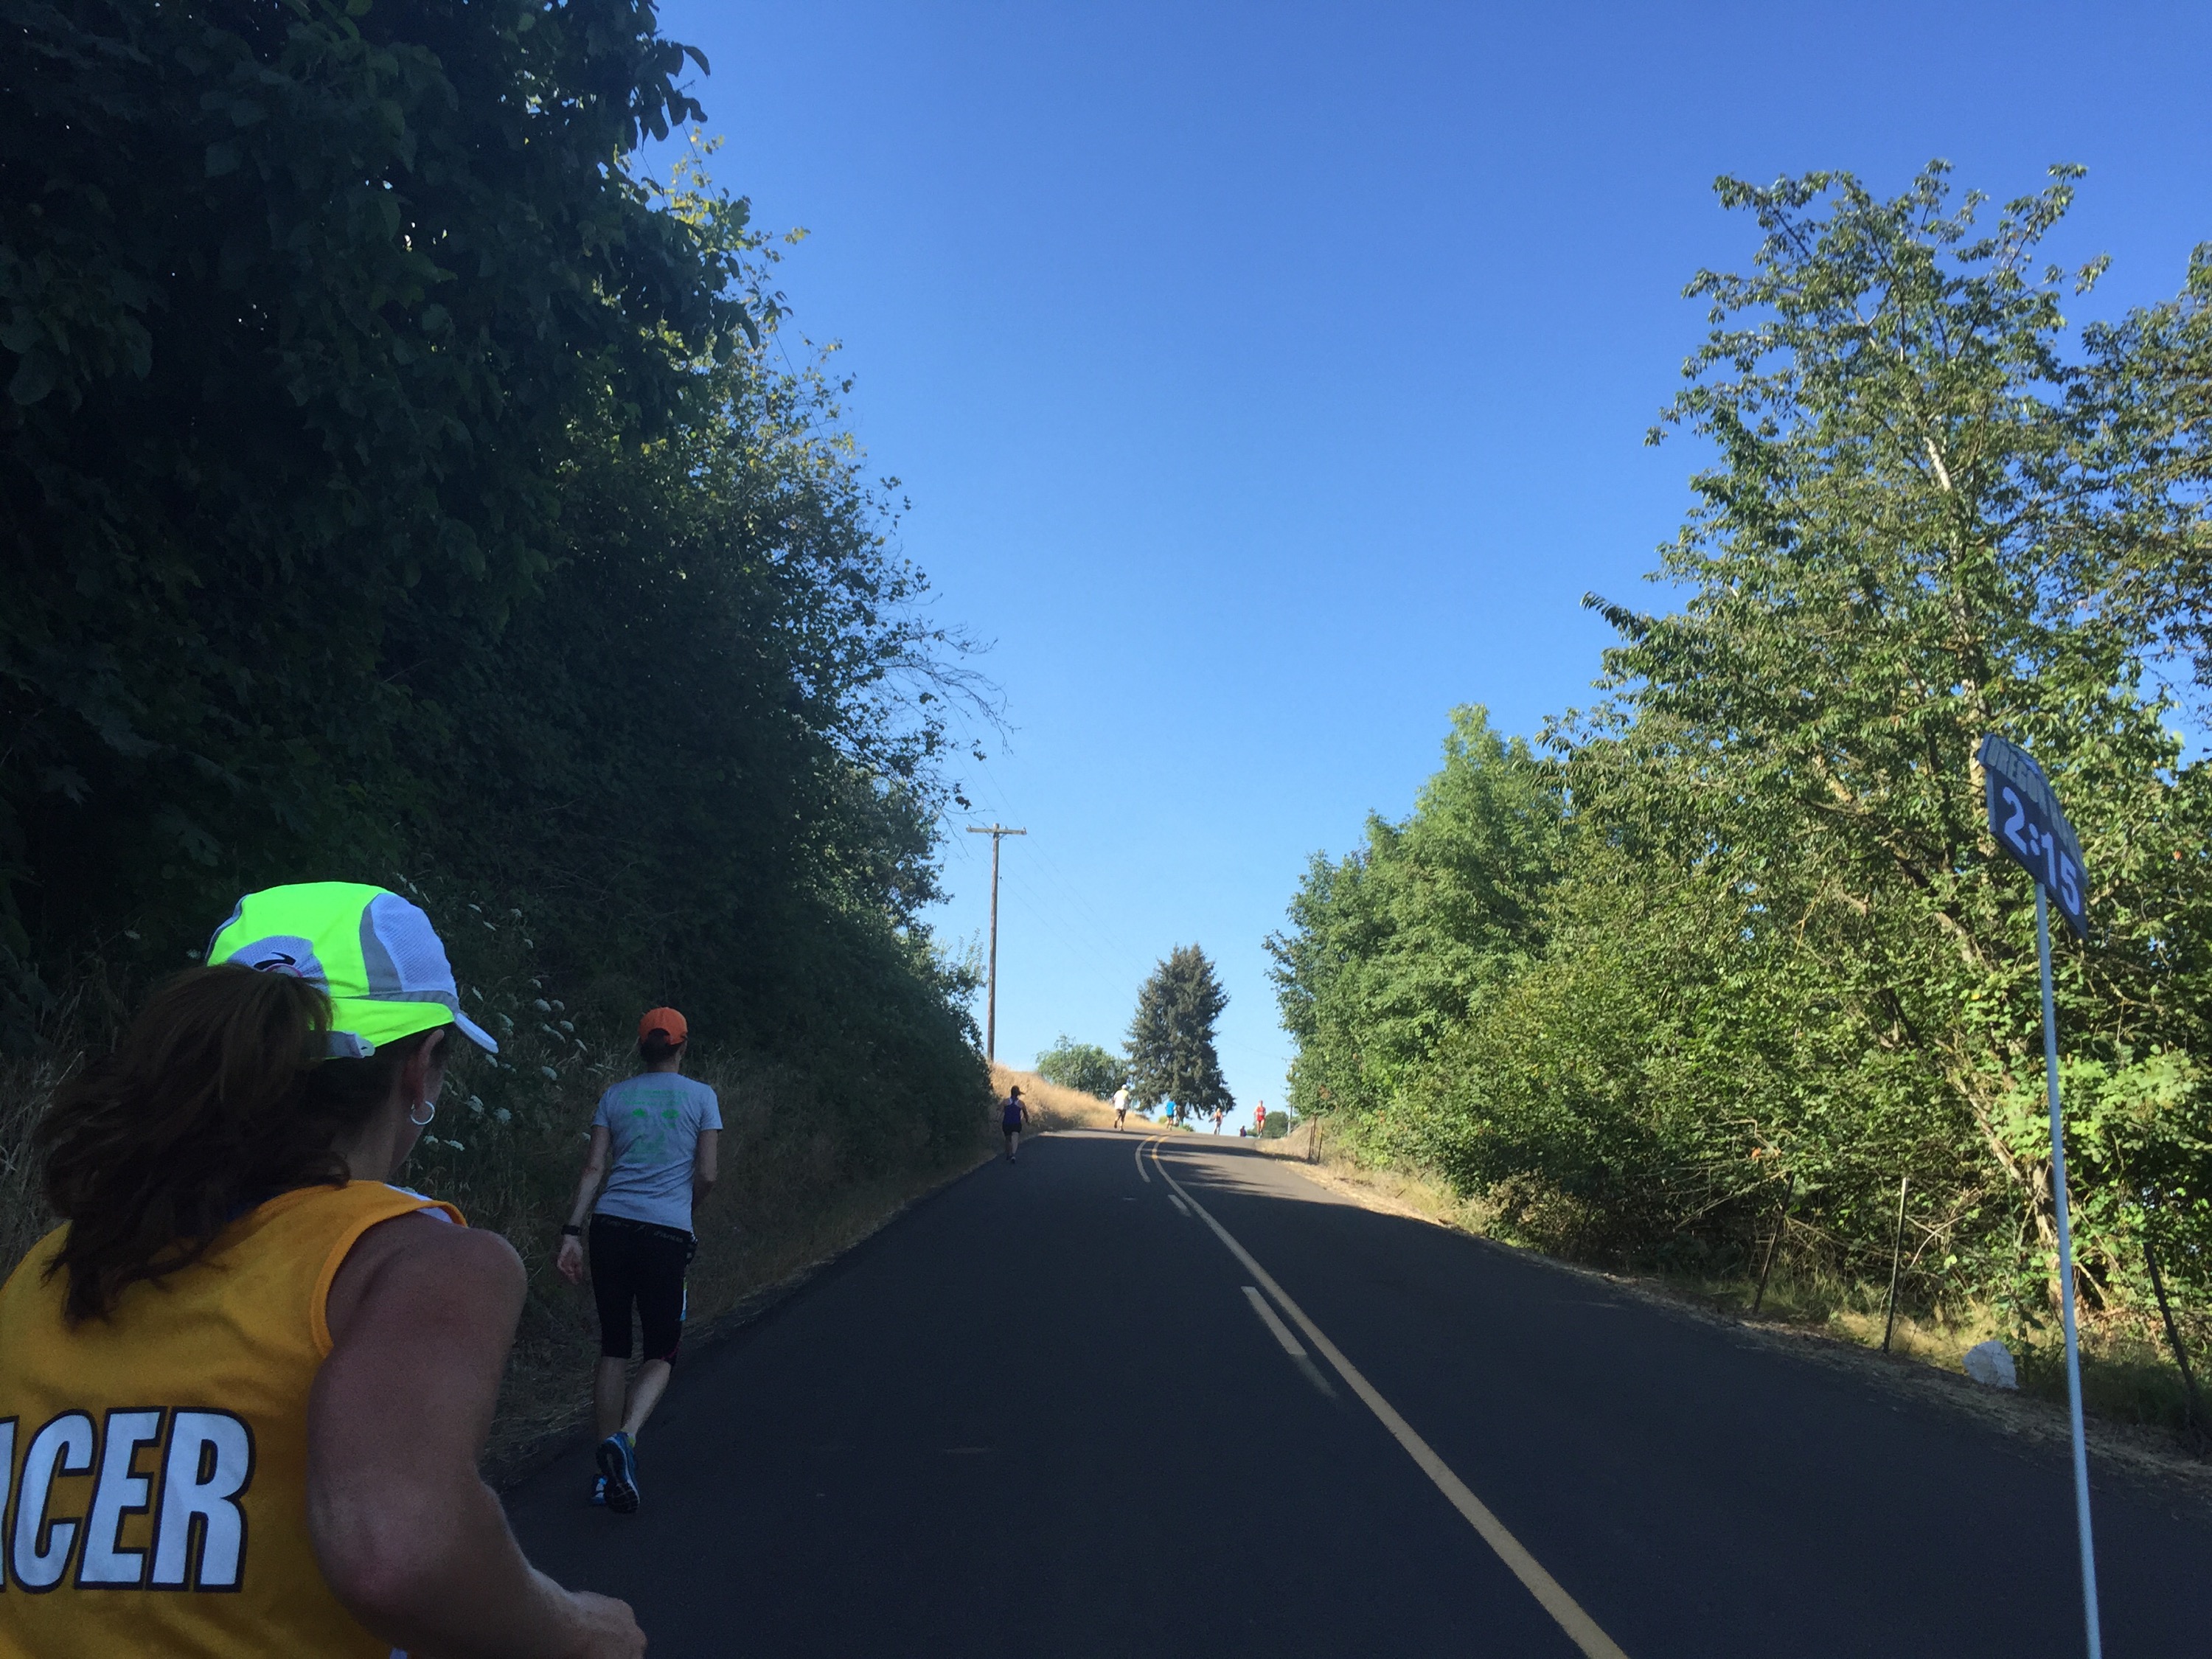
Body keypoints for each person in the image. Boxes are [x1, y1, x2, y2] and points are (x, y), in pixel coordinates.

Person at [0, 881, 643, 1659]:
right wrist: (579, 1632)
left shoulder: (51, 1265)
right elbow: (398, 1555)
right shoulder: (413, 1261)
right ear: (421, 1068)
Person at [557, 1007, 720, 1514]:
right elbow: (708, 1174)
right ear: (682, 1045)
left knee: (614, 1346)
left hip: (610, 1226)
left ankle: (603, 1478)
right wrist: (684, 1210)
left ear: (641, 1045)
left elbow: (593, 1168)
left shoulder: (615, 1096)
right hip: (665, 1233)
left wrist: (571, 1232)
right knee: (661, 1351)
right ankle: (624, 1440)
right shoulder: (702, 1097)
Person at [1001, 1084, 1029, 1161]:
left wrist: (996, 1119)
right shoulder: (1021, 1103)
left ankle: (1008, 1154)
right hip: (1016, 1123)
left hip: (1006, 1123)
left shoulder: (1005, 1101)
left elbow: (999, 1111)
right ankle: (1013, 1155)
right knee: (1015, 1138)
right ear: (1018, 1094)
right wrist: (1027, 1120)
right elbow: (1025, 1113)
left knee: (1008, 1139)